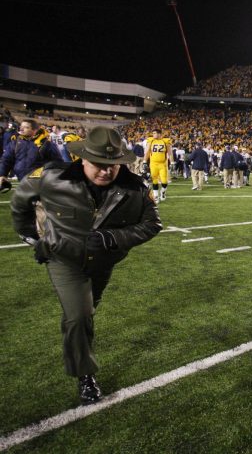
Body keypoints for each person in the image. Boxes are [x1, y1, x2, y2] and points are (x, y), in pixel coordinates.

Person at [10, 126, 162, 404]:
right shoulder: (51, 176)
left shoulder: (136, 188)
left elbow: (153, 224)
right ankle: (85, 375)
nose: (105, 171)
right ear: (82, 159)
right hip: (63, 258)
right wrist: (32, 237)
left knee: (86, 312)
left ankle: (78, 333)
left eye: (112, 165)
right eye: (99, 164)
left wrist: (112, 237)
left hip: (103, 262)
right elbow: (20, 200)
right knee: (79, 315)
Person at [0, 119, 62, 185]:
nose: (21, 129)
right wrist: (2, 175)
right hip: (22, 181)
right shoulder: (15, 143)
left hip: (42, 182)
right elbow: (6, 160)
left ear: (35, 130)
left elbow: (57, 163)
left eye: (26, 127)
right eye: (21, 126)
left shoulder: (47, 144)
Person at [144, 129, 173, 204]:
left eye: (155, 133)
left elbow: (170, 153)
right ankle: (156, 196)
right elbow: (147, 152)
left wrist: (172, 162)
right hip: (153, 164)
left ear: (159, 134)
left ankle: (163, 192)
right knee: (155, 180)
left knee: (164, 181)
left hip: (163, 164)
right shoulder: (151, 141)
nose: (153, 135)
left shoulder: (165, 141)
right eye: (153, 133)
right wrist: (144, 161)